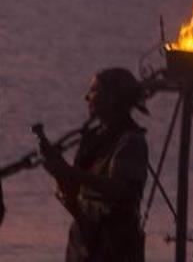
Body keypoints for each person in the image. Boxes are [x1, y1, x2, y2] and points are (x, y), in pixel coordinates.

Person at [41, 68, 148, 262]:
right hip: (84, 244)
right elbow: (75, 192)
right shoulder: (93, 139)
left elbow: (123, 191)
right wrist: (60, 171)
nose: (86, 97)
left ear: (113, 97)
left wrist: (71, 173)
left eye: (94, 91)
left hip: (115, 247)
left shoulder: (130, 141)